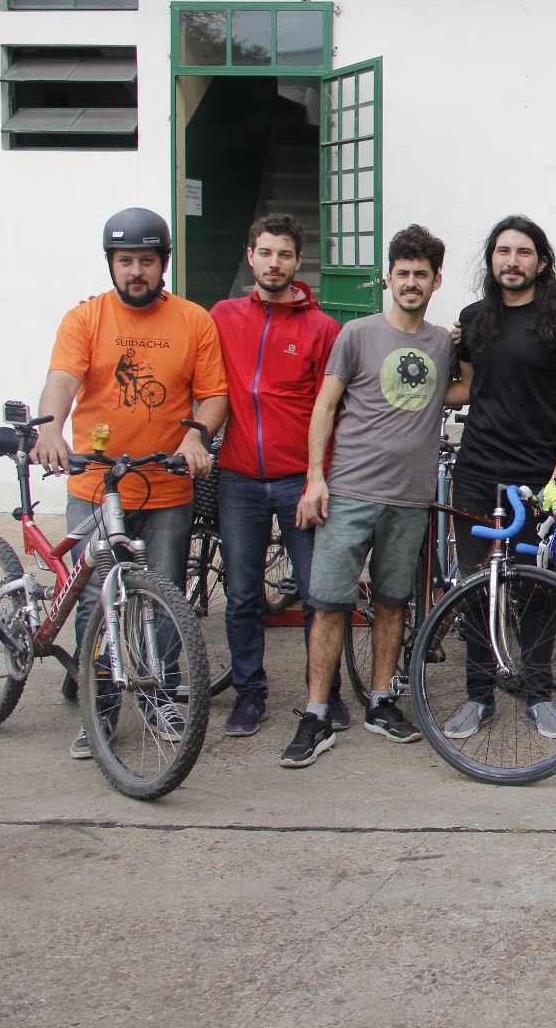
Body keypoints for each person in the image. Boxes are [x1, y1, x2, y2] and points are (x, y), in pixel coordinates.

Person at [31, 207, 228, 760]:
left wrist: (196, 437)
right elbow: (62, 379)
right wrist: (49, 429)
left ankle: (159, 694)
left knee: (163, 594)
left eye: (145, 260)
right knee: (95, 598)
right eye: (125, 261)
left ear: (163, 263)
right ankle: (100, 705)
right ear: (111, 264)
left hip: (165, 485)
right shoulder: (85, 318)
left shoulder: (193, 320)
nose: (135, 271)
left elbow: (214, 394)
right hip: (96, 485)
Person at [282, 225, 461, 768]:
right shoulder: (357, 334)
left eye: (421, 274)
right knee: (328, 603)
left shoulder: (442, 344)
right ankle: (316, 713)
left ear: (435, 281)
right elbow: (324, 406)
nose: (411, 283)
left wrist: (474, 340)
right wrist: (316, 478)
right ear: (388, 277)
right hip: (351, 491)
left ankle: (382, 701)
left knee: (392, 601)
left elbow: (466, 387)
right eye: (402, 273)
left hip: (409, 499)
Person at [441, 215, 556, 745]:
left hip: (537, 476)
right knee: (474, 586)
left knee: (535, 587)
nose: (512, 261)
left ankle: (538, 694)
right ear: (492, 260)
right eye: (502, 251)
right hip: (477, 471)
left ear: (542, 262)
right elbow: (466, 386)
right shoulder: (473, 320)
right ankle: (478, 696)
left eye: (523, 252)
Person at [209, 212, 342, 738]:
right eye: (265, 252)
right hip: (238, 477)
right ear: (250, 256)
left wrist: (318, 477)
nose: (274, 263)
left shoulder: (321, 328)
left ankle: (324, 693)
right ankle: (249, 693)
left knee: (316, 594)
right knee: (242, 594)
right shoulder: (222, 316)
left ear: (297, 261)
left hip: (297, 480)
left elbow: (332, 412)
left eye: (284, 254)